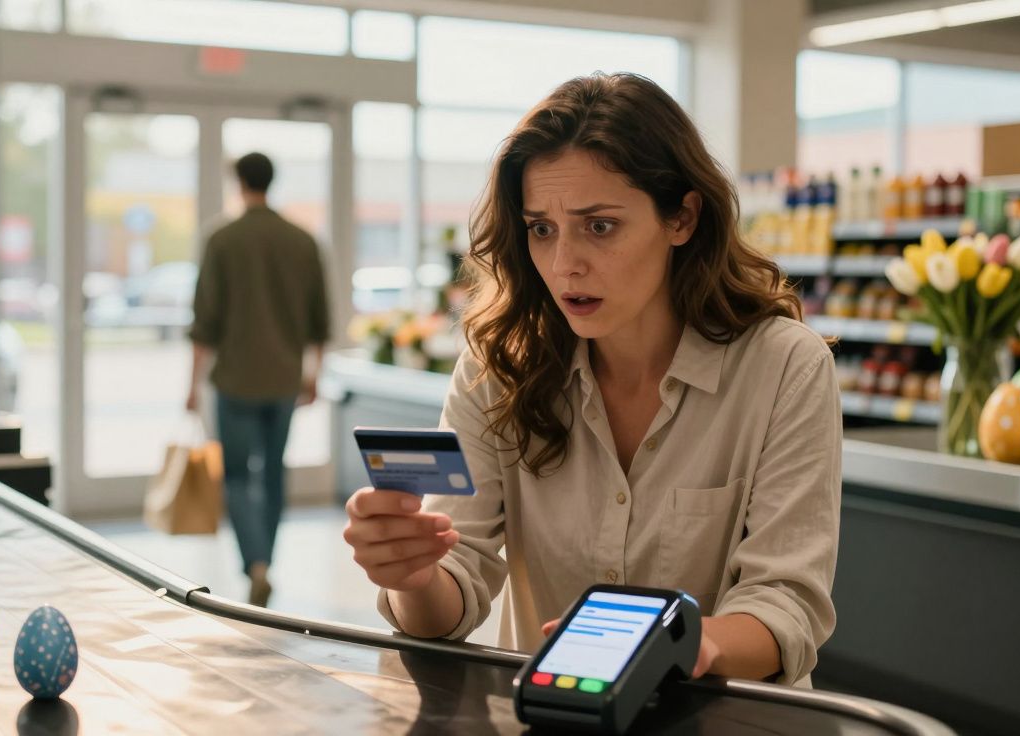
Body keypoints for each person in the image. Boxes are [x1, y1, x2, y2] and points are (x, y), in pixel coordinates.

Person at [342, 74, 841, 686]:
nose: (563, 264)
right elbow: (452, 589)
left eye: (599, 226)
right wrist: (413, 575)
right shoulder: (498, 365)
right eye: (541, 229)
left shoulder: (785, 367)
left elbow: (785, 605)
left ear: (681, 217)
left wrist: (683, 644)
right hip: (554, 716)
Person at [188, 152, 330, 607]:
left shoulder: (221, 239)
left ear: (238, 181)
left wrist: (192, 386)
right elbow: (319, 319)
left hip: (234, 379)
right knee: (272, 473)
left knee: (235, 475)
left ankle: (255, 564)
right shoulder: (303, 241)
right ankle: (267, 558)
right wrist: (314, 375)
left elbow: (204, 322)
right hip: (286, 379)